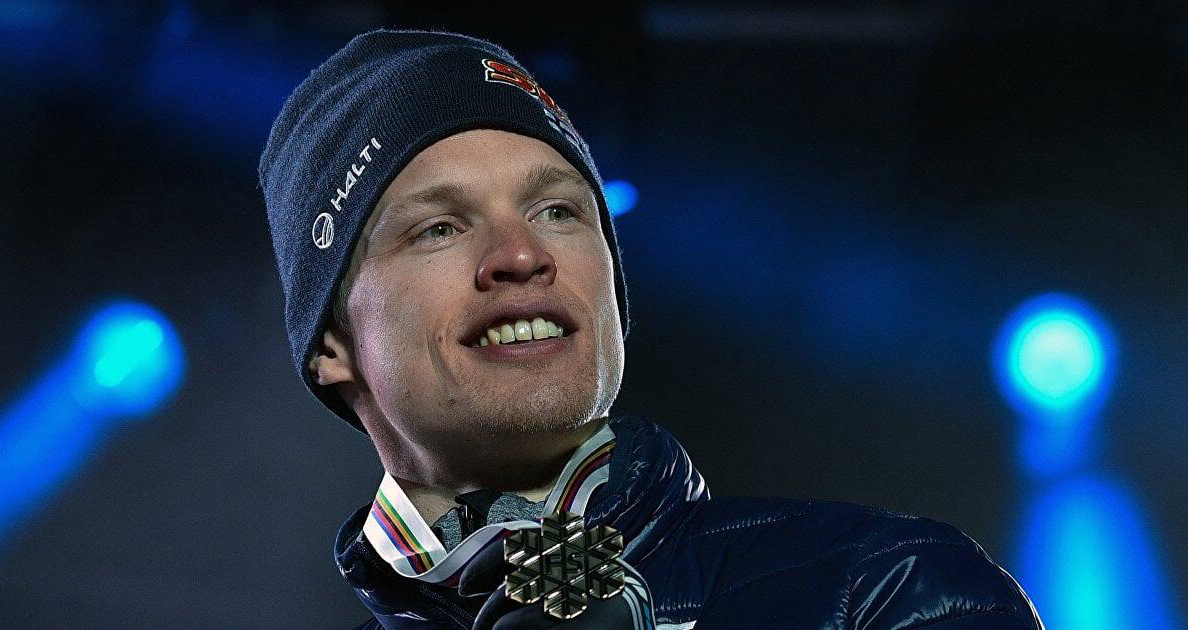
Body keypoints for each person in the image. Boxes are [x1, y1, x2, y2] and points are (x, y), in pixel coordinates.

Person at [259, 29, 1044, 629]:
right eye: (438, 228)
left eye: (557, 210)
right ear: (331, 345)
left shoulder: (884, 588)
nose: (522, 254)